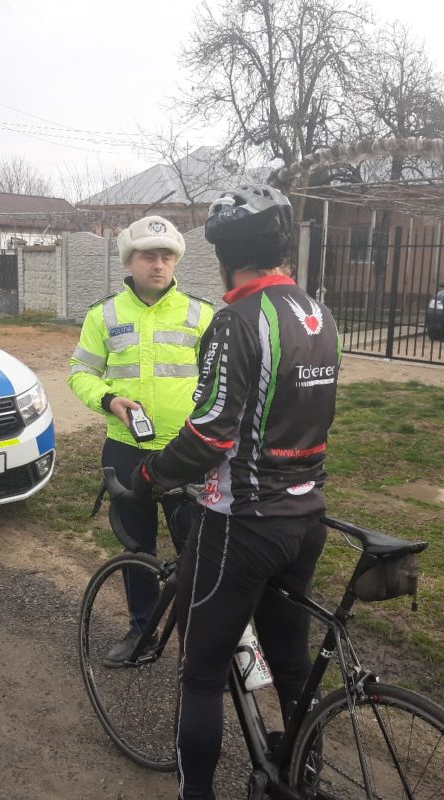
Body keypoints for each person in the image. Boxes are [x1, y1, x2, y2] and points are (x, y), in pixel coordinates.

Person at [132, 185, 342, 800]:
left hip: (243, 523)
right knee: (292, 663)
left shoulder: (237, 321)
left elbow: (210, 433)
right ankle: (299, 780)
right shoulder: (317, 313)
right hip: (307, 516)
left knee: (200, 673)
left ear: (226, 255)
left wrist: (150, 476)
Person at [68, 215, 214, 665]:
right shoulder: (103, 314)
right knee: (136, 547)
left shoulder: (201, 314)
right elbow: (80, 374)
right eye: (148, 255)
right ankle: (142, 630)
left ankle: (202, 638)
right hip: (126, 449)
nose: (159, 264)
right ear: (128, 262)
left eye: (166, 256)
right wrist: (109, 399)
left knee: (197, 546)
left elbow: (219, 383)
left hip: (185, 450)